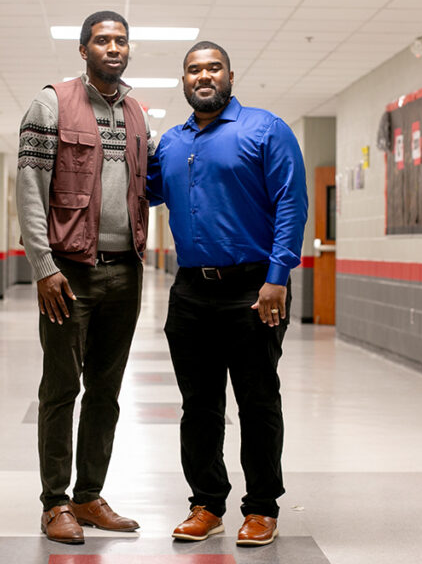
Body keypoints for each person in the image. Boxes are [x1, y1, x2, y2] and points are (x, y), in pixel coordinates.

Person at [146, 41, 307, 547]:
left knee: (257, 402)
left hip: (254, 288)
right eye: (194, 70)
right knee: (199, 405)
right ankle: (206, 504)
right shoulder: (171, 144)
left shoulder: (265, 130)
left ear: (230, 75)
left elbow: (291, 204)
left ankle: (261, 508)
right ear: (184, 81)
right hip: (192, 291)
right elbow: (134, 192)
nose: (204, 76)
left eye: (213, 67)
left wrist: (277, 277)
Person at [16, 10, 153, 545]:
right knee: (61, 387)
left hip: (126, 271)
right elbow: (31, 188)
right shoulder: (51, 103)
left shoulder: (139, 113)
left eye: (120, 40)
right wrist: (43, 266)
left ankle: (89, 496)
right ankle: (55, 503)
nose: (113, 48)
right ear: (83, 50)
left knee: (106, 390)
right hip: (69, 273)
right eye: (102, 40)